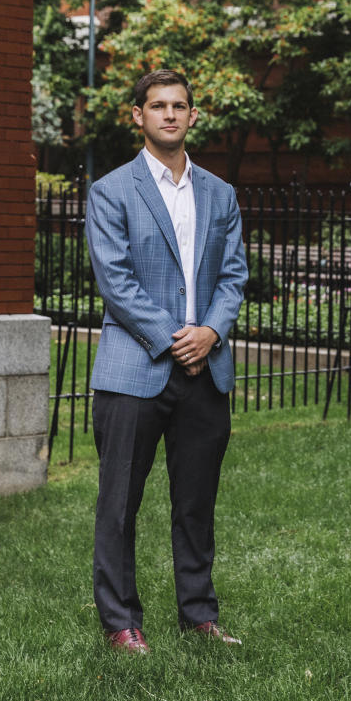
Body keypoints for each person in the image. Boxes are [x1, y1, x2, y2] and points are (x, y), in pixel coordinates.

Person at [85, 68, 248, 654]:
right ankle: (121, 622)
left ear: (193, 115)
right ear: (139, 116)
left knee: (196, 501)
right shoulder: (111, 190)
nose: (170, 115)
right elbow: (116, 281)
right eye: (158, 106)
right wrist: (176, 338)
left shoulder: (220, 193)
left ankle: (199, 615)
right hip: (135, 371)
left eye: (180, 106)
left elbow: (233, 275)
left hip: (207, 370)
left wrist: (210, 332)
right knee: (120, 501)